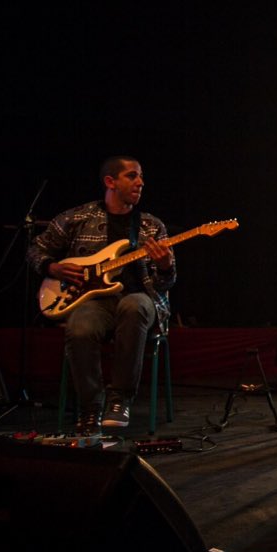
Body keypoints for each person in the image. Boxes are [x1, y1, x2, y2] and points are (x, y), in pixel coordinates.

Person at [28, 156, 174, 440]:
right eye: (132, 176)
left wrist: (166, 266)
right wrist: (51, 267)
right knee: (80, 327)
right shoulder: (76, 218)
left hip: (139, 298)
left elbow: (167, 282)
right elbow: (36, 248)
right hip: (92, 302)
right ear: (110, 181)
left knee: (134, 307)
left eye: (141, 176)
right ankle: (91, 407)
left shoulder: (150, 226)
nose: (140, 182)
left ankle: (120, 399)